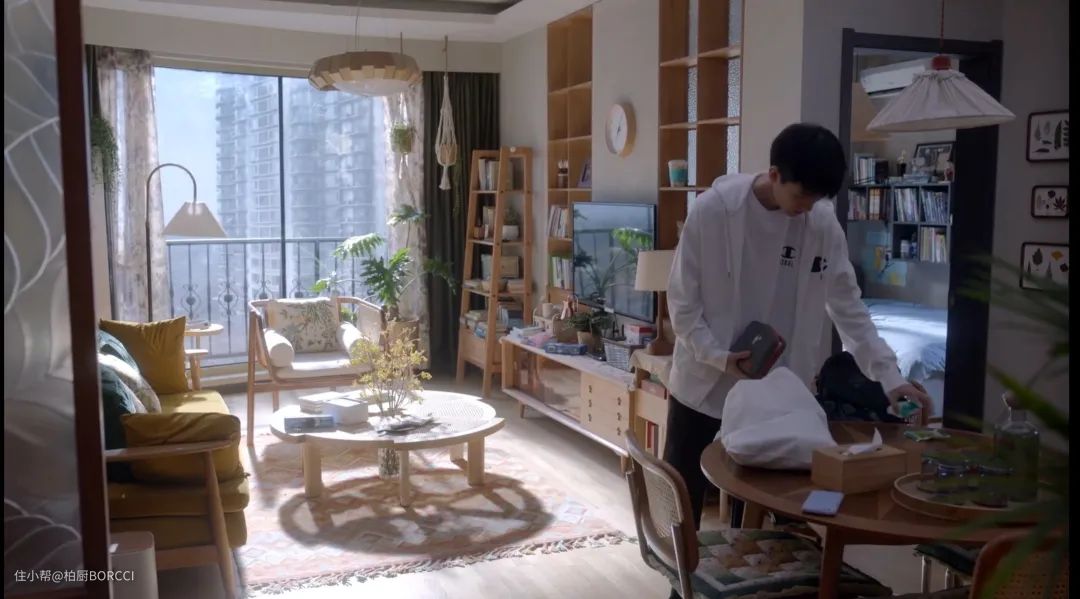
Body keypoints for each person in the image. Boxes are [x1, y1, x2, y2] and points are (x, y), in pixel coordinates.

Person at [664, 123, 932, 529]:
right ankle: (677, 571)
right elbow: (683, 304)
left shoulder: (820, 224)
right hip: (704, 383)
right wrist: (718, 357)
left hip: (778, 392)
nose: (807, 207)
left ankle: (753, 569)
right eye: (801, 196)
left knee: (772, 502)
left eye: (816, 199)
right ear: (774, 175)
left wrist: (891, 379)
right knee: (682, 501)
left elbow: (849, 309)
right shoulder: (713, 211)